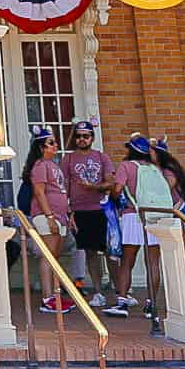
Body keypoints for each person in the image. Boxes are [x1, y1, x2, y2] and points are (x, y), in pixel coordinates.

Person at [106, 133, 173, 319]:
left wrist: (112, 196)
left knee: (127, 261)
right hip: (155, 216)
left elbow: (118, 190)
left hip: (133, 215)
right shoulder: (155, 168)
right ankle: (151, 304)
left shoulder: (126, 166)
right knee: (153, 262)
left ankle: (122, 301)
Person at [60, 120, 115, 307]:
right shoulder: (68, 159)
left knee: (110, 251)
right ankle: (98, 292)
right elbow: (64, 186)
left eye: (86, 136)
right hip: (80, 210)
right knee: (90, 251)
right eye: (78, 136)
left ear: (92, 137)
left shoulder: (102, 157)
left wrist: (94, 187)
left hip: (101, 208)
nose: (82, 139)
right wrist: (68, 211)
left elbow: (110, 182)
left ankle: (120, 292)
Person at [24, 128, 75, 314]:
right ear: (41, 146)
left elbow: (61, 191)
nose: (55, 145)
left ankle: (55, 295)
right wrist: (50, 216)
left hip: (60, 215)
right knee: (48, 256)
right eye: (51, 142)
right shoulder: (39, 165)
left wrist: (68, 214)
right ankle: (47, 298)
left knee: (55, 257)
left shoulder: (54, 165)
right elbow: (39, 192)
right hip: (47, 215)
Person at [152, 138, 185, 218]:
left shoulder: (169, 170)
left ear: (158, 154)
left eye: (151, 153)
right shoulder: (159, 169)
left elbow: (165, 190)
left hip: (177, 210)